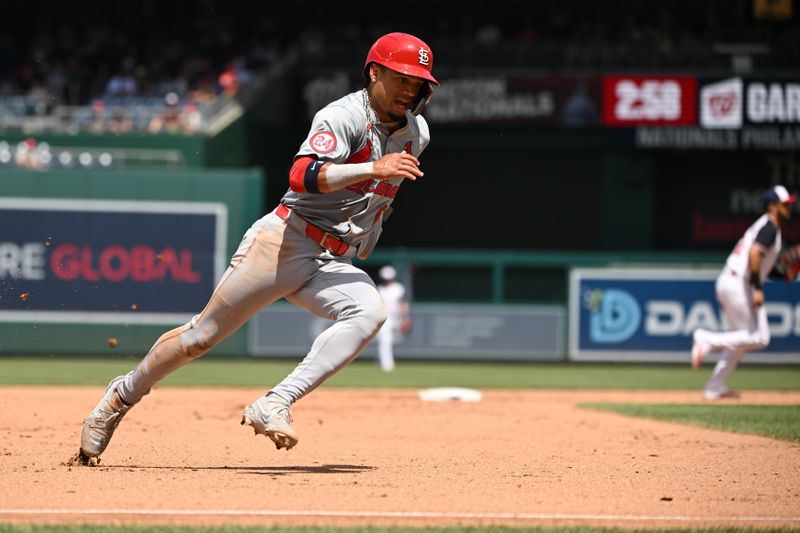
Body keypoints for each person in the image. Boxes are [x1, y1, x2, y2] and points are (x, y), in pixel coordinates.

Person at [79, 32, 439, 461]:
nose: (410, 90)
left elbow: (380, 195)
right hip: (286, 241)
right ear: (374, 73)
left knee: (370, 312)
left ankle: (275, 402)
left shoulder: (417, 133)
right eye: (402, 78)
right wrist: (370, 167)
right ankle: (120, 396)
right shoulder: (342, 116)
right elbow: (301, 176)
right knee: (201, 336)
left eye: (418, 83)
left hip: (331, 256)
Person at [691, 185, 796, 400]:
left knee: (739, 341)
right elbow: (755, 254)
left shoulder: (765, 226)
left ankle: (714, 386)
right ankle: (706, 339)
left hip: (729, 280)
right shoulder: (770, 227)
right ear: (773, 206)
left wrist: (782, 275)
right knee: (760, 337)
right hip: (740, 284)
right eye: (785, 204)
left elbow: (760, 262)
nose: (789, 208)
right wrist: (758, 288)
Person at [375, 265, 411, 372]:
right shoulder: (380, 289)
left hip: (398, 317)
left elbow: (403, 303)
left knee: (393, 341)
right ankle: (387, 366)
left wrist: (406, 318)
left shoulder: (399, 288)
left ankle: (381, 359)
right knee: (385, 341)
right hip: (386, 317)